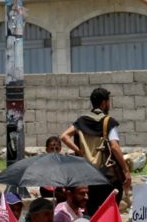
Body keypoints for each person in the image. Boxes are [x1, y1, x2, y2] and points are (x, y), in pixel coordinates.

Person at [60, 87, 130, 215]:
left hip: (87, 177)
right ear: (104, 103)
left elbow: (64, 136)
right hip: (107, 178)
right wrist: (126, 170)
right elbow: (114, 147)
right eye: (108, 101)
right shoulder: (108, 122)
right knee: (109, 212)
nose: (109, 104)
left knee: (92, 213)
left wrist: (79, 151)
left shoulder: (80, 121)